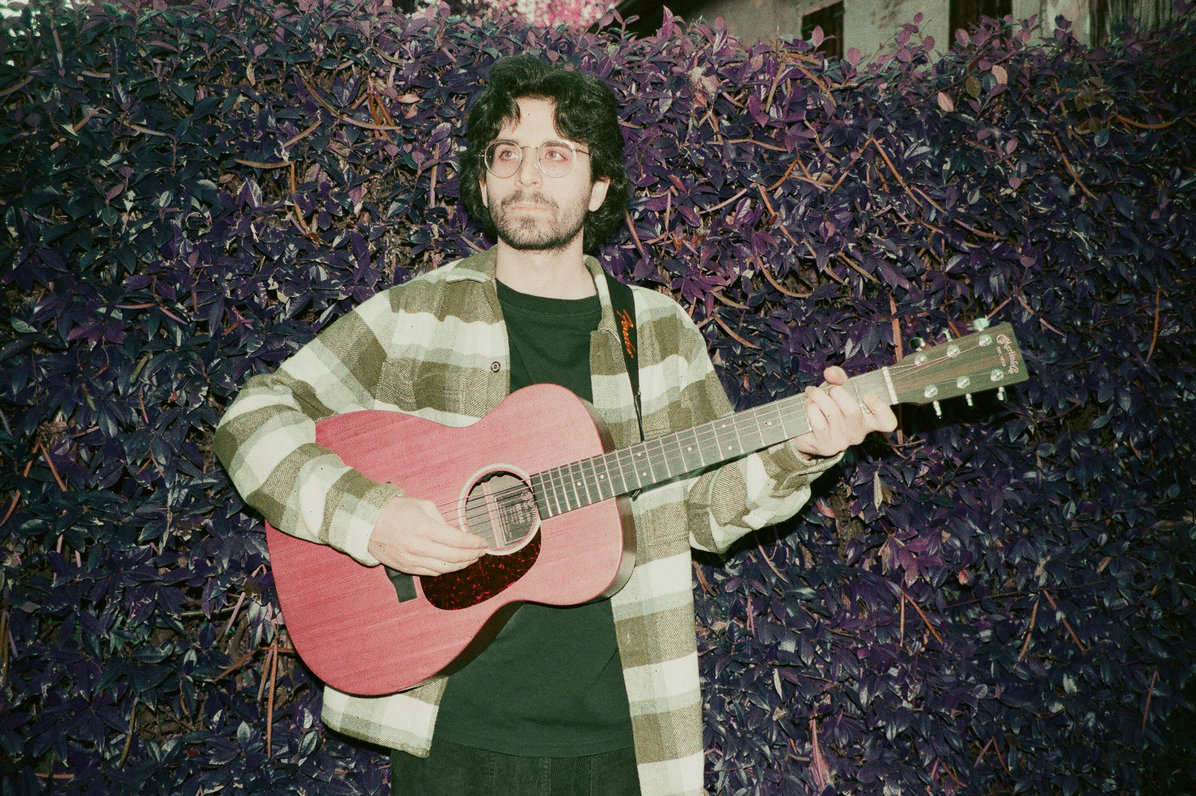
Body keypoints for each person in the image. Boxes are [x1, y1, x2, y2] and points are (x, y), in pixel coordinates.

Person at [215, 54, 896, 795]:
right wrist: (369, 519)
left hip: (620, 741)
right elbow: (251, 418)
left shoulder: (657, 332)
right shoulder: (415, 316)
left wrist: (800, 452)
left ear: (598, 186)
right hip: (449, 739)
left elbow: (705, 513)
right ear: (484, 181)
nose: (527, 175)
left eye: (556, 153)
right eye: (507, 153)